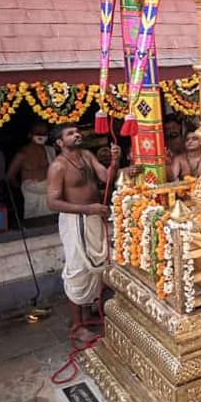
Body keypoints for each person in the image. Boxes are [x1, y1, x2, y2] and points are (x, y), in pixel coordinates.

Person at [45, 124, 121, 344]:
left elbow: (106, 177)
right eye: (70, 133)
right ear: (59, 143)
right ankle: (77, 327)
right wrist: (88, 209)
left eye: (77, 131)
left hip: (94, 216)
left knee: (99, 265)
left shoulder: (87, 155)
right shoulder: (58, 167)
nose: (77, 134)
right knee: (78, 269)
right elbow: (52, 202)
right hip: (76, 219)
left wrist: (115, 162)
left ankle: (88, 313)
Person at [6, 121, 56, 219]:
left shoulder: (50, 150)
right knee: (35, 221)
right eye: (38, 132)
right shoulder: (22, 154)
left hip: (51, 192)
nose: (42, 135)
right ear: (30, 135)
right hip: (32, 194)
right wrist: (21, 190)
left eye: (44, 133)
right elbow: (9, 176)